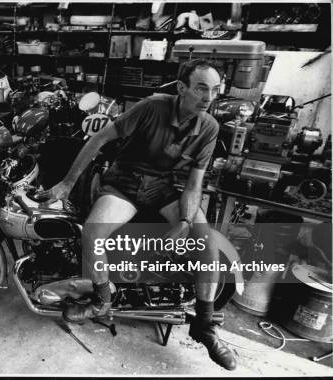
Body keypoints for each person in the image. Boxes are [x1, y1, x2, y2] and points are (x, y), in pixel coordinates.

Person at [40, 59, 236, 370]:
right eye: (201, 88)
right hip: (125, 182)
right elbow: (99, 139)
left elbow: (195, 182)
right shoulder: (152, 107)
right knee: (93, 232)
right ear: (182, 88)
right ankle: (102, 301)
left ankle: (205, 323)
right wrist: (66, 183)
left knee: (206, 241)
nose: (209, 96)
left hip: (163, 188)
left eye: (214, 90)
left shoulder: (209, 127)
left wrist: (185, 221)